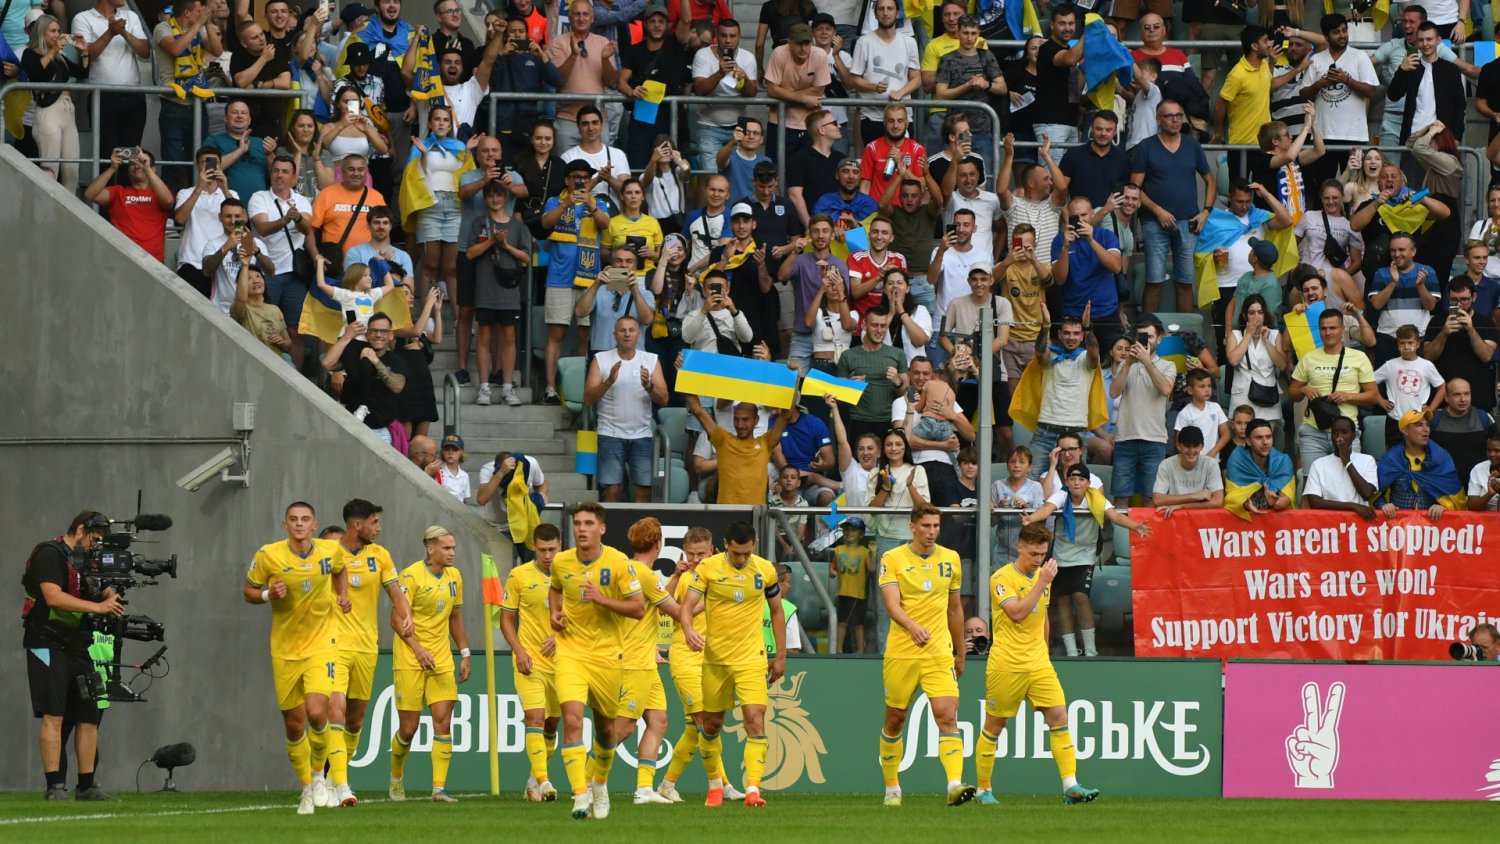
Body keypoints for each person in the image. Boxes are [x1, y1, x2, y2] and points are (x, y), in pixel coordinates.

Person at [974, 522, 1101, 806]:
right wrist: (1042, 582)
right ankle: (983, 789)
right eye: (1033, 553)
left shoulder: (1043, 575)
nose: (1038, 559)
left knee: (1059, 717)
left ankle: (1070, 786)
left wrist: (1043, 651)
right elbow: (1017, 613)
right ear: (1019, 547)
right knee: (994, 726)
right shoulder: (1001, 578)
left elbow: (1041, 616)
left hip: (1038, 663)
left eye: (1042, 554)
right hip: (1007, 664)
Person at [242, 502, 350, 814]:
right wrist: (268, 595)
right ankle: (306, 788)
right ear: (285, 524)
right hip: (285, 649)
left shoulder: (331, 550)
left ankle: (318, 776)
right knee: (293, 724)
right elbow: (248, 591)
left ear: (314, 524)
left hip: (322, 643)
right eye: (293, 519)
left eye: (305, 519)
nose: (299, 524)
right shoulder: (268, 555)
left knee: (317, 712)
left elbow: (340, 570)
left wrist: (342, 595)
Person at [547, 502, 646, 819]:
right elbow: (555, 589)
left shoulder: (618, 563)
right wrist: (555, 613)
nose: (581, 529)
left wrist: (602, 599)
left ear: (601, 529)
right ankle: (580, 795)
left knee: (606, 732)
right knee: (572, 719)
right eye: (577, 523)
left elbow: (639, 608)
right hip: (570, 652)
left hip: (607, 655)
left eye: (588, 523)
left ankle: (600, 783)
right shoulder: (561, 561)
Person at [679, 520, 786, 807]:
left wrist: (780, 655)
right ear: (725, 545)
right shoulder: (708, 568)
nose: (741, 559)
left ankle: (753, 790)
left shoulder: (765, 570)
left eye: (747, 553)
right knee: (712, 724)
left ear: (754, 547)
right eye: (737, 553)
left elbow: (777, 611)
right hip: (716, 660)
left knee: (755, 719)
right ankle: (715, 785)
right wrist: (688, 630)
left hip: (752, 658)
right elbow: (686, 607)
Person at [875, 503, 971, 807]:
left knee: (947, 715)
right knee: (895, 720)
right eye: (926, 526)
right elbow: (892, 605)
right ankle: (892, 787)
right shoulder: (892, 559)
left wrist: (960, 651)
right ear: (912, 527)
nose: (932, 532)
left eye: (936, 526)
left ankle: (954, 785)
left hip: (938, 652)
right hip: (902, 652)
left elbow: (954, 609)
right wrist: (912, 626)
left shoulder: (951, 559)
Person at [23, 511, 122, 801]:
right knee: (54, 714)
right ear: (80, 529)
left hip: (81, 645)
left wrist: (111, 596)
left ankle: (86, 786)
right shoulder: (49, 554)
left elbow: (102, 589)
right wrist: (99, 608)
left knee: (89, 716)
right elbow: (53, 597)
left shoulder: (88, 561)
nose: (96, 545)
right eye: (95, 538)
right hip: (46, 643)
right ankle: (55, 787)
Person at [328, 499, 412, 807]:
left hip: (366, 646)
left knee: (354, 720)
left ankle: (331, 776)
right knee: (335, 710)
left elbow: (395, 592)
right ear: (357, 525)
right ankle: (340, 785)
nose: (379, 528)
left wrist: (406, 614)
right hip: (334, 644)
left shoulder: (380, 555)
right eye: (374, 522)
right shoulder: (330, 554)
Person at [656, 527, 747, 802]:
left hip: (713, 659)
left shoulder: (723, 576)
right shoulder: (684, 579)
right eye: (691, 554)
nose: (696, 560)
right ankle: (720, 785)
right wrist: (675, 577)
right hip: (685, 656)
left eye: (701, 554)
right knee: (705, 723)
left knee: (694, 729)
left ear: (713, 551)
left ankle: (667, 785)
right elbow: (662, 607)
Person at [1023, 463, 1151, 657]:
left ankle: (1090, 650)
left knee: (1080, 596)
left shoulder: (1095, 498)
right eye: (1072, 479)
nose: (1076, 483)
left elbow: (1114, 515)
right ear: (1067, 482)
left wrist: (1135, 526)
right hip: (1061, 556)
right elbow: (1047, 509)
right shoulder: (1061, 495)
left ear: (1088, 483)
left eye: (1081, 479)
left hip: (1085, 556)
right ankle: (1072, 651)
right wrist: (1031, 519)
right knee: (1063, 601)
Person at [386, 526, 469, 803]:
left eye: (453, 547)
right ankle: (396, 777)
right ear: (430, 549)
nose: (452, 553)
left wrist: (465, 652)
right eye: (446, 548)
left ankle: (439, 788)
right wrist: (418, 648)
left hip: (441, 658)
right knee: (408, 729)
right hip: (410, 658)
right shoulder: (410, 576)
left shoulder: (455, 576)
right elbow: (396, 619)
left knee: (443, 721)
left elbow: (455, 617)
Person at [615, 518, 687, 806]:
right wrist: (709, 598)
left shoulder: (631, 570)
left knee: (658, 721)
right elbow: (676, 612)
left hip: (646, 658)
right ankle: (585, 780)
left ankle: (644, 789)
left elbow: (658, 603)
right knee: (623, 728)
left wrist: (676, 579)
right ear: (659, 543)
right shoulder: (644, 574)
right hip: (634, 661)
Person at [1131, 98, 1215, 315]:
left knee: (1185, 283)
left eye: (1178, 115)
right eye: (1169, 116)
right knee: (1154, 281)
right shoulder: (1146, 147)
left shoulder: (1192, 145)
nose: (1175, 120)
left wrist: (1206, 211)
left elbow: (1211, 181)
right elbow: (1134, 188)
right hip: (1154, 222)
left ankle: (1185, 333)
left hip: (1189, 222)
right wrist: (1157, 210)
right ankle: (1147, 330)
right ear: (1158, 119)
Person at [541, 160, 612, 404]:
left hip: (590, 279)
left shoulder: (598, 201)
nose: (580, 181)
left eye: (584, 177)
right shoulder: (555, 201)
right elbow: (545, 223)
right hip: (559, 277)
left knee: (585, 335)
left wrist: (590, 204)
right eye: (575, 177)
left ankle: (581, 388)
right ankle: (551, 388)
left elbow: (606, 224)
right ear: (566, 180)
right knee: (556, 334)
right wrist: (567, 204)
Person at [585, 316, 668, 502]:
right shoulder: (600, 359)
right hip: (610, 434)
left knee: (644, 491)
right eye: (622, 330)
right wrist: (608, 382)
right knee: (613, 490)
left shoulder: (651, 359)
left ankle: (642, 523)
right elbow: (588, 399)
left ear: (639, 334)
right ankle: (609, 523)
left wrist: (648, 386)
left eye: (631, 330)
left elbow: (664, 399)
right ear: (614, 335)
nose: (627, 334)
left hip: (642, 434)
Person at [466, 180, 533, 406]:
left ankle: (507, 386)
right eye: (490, 196)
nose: (495, 199)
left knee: (509, 336)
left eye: (499, 195)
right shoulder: (479, 222)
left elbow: (527, 257)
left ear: (505, 198)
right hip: (485, 288)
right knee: (484, 335)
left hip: (509, 289)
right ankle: (484, 387)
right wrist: (492, 241)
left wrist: (506, 247)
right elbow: (470, 253)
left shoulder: (517, 225)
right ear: (485, 199)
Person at [248, 155, 314, 367]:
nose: (280, 175)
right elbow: (262, 228)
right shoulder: (259, 198)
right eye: (276, 170)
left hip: (294, 274)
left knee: (296, 330)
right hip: (266, 273)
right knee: (264, 326)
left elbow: (307, 229)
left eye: (285, 172)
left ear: (294, 177)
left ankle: (296, 379)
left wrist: (298, 217)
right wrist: (286, 219)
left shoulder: (302, 201)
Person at [73, 0, 150, 162]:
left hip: (133, 96)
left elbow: (145, 51)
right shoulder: (82, 18)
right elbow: (87, 55)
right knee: (107, 155)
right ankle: (108, 180)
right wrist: (110, 33)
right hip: (102, 97)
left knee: (131, 155)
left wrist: (124, 32)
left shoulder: (131, 16)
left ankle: (125, 180)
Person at [1110, 319, 1175, 507]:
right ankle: (1120, 529)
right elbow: (1113, 392)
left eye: (1150, 336)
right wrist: (1128, 364)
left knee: (1151, 498)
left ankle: (1149, 529)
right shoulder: (1125, 364)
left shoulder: (1168, 365)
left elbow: (1166, 390)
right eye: (1141, 336)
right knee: (1121, 496)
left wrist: (1147, 363)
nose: (1145, 341)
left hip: (1154, 440)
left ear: (1159, 339)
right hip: (1125, 438)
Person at [685, 394, 790, 505]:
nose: (740, 425)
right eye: (736, 419)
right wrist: (685, 382)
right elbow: (697, 410)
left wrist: (796, 383)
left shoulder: (765, 442)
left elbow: (786, 416)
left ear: (756, 420)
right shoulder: (723, 440)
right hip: (727, 512)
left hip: (755, 512)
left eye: (745, 419)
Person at [324, 313, 408, 445]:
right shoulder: (355, 353)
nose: (378, 335)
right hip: (352, 426)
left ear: (391, 335)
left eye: (383, 331)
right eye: (374, 330)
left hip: (381, 429)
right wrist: (347, 336)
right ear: (367, 334)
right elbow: (327, 364)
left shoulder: (397, 359)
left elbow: (397, 386)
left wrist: (375, 360)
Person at [1052, 197, 1126, 346]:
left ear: (1092, 214)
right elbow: (1059, 279)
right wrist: (1065, 247)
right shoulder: (1060, 240)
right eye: (1075, 216)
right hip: (1073, 315)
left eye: (1084, 215)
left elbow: (1116, 267)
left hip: (1105, 311)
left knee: (1111, 357)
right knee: (1075, 360)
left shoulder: (1106, 235)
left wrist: (1091, 240)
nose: (1080, 220)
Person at [1423, 278, 1500, 415]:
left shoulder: (1486, 322)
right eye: (1454, 300)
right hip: (1444, 398)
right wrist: (1444, 333)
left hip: (1479, 398)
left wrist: (1471, 329)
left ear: (1474, 297)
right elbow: (1428, 356)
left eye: (1464, 300)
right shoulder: (1438, 321)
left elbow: (1486, 356)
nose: (1459, 305)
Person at [848, 0, 919, 148]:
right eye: (881, 9)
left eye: (890, 9)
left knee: (902, 161)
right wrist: (873, 87)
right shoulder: (864, 42)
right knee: (874, 161)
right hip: (873, 116)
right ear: (875, 14)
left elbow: (917, 79)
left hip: (902, 117)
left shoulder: (909, 42)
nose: (885, 13)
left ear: (897, 13)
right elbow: (854, 79)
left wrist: (900, 93)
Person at [547, 0, 616, 150]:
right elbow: (557, 80)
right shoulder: (558, 42)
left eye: (585, 14)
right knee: (565, 163)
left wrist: (605, 60)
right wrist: (573, 56)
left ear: (592, 18)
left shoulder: (603, 42)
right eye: (577, 14)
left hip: (597, 118)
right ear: (569, 17)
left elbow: (611, 81)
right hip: (567, 118)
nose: (581, 18)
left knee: (602, 163)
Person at [692, 18, 759, 172]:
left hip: (738, 127)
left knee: (736, 174)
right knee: (711, 176)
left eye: (732, 36)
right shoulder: (703, 55)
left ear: (739, 37)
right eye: (723, 35)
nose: (728, 40)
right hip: (709, 126)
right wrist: (720, 73)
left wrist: (744, 78)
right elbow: (700, 90)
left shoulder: (747, 57)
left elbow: (752, 93)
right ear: (716, 36)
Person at [84, 148, 173, 263]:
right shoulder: (118, 192)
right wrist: (112, 168)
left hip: (153, 262)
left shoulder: (159, 194)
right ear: (127, 170)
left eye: (142, 162)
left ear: (153, 169)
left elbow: (168, 201)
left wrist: (147, 169)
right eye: (132, 163)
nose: (137, 166)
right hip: (122, 259)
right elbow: (90, 194)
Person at [837, 308, 909, 447]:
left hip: (890, 420)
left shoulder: (898, 354)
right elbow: (838, 399)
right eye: (875, 325)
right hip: (859, 420)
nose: (879, 330)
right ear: (864, 325)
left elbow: (906, 396)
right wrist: (851, 386)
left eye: (883, 326)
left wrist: (897, 382)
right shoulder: (848, 356)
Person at [1376, 410, 1466, 520]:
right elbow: (1376, 495)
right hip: (1398, 525)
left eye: (1427, 425)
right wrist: (1384, 505)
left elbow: (1455, 497)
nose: (1426, 429)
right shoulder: (1391, 459)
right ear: (1405, 430)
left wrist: (1443, 506)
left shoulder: (1440, 458)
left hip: (1432, 525)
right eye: (1419, 425)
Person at [1388, 22, 1466, 147]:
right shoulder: (1411, 67)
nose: (1425, 44)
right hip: (1413, 137)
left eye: (1429, 39)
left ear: (1438, 40)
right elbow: (1393, 95)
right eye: (1421, 40)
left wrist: (1457, 137)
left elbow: (1459, 106)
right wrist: (1402, 70)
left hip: (1441, 139)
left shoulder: (1451, 70)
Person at [202, 198, 276, 315]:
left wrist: (256, 251)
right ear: (220, 217)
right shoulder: (213, 244)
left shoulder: (255, 242)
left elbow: (271, 271)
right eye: (228, 216)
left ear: (244, 217)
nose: (233, 221)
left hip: (252, 310)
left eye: (237, 216)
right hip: (221, 310)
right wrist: (225, 247)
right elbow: (206, 271)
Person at [312, 154, 386, 262]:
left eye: (360, 169)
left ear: (366, 172)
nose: (356, 173)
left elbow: (384, 231)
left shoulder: (377, 197)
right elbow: (310, 231)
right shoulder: (326, 194)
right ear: (342, 171)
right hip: (334, 262)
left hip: (367, 263)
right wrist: (316, 256)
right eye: (351, 169)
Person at [1302, 416, 1379, 519]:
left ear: (1353, 436)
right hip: (1329, 523)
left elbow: (1367, 494)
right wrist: (1352, 506)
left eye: (1344, 432)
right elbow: (1314, 502)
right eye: (1335, 433)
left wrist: (1347, 462)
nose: (1339, 437)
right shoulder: (1318, 464)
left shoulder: (1367, 460)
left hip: (1358, 522)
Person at [1034, 5, 1084, 161]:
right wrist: (1090, 34)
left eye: (1071, 23)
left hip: (1070, 122)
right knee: (1050, 174)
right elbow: (1069, 59)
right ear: (1052, 25)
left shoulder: (1069, 50)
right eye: (1062, 23)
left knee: (1068, 174)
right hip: (1051, 124)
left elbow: (1076, 90)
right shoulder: (1047, 48)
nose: (1068, 28)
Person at [1058, 111, 1132, 210]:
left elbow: (1124, 196)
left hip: (1110, 217)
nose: (1103, 133)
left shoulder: (1123, 160)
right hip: (1078, 216)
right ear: (1091, 129)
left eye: (1108, 130)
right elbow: (1060, 190)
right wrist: (1066, 216)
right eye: (1099, 129)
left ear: (1115, 132)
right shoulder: (1073, 155)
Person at [1225, 419, 1295, 518]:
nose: (1265, 442)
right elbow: (1232, 496)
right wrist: (1246, 504)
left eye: (1268, 437)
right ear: (1248, 441)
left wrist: (1274, 503)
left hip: (1277, 521)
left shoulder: (1282, 461)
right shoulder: (1237, 460)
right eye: (1259, 438)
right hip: (1243, 522)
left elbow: (1286, 499)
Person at [1151, 425, 1225, 516]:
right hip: (1174, 517)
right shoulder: (1166, 464)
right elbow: (1157, 499)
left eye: (1195, 446)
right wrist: (1194, 496)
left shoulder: (1211, 464)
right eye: (1187, 446)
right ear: (1179, 446)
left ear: (1202, 446)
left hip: (1201, 518)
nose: (1191, 450)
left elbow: (1218, 501)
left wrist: (1182, 506)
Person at [786, 108, 843, 226]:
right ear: (822, 130)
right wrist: (810, 227)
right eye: (834, 123)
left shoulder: (841, 159)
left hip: (842, 226)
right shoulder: (798, 159)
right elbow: (795, 195)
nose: (839, 126)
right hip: (813, 227)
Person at [1433, 378, 1498, 479]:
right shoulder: (1434, 419)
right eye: (1457, 394)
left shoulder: (1484, 418)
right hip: (1443, 483)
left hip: (1478, 483)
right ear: (1446, 397)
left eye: (1467, 394)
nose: (1463, 399)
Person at [829, 517, 871, 653]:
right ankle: (838, 650)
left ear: (861, 534)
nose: (849, 533)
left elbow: (871, 569)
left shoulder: (865, 552)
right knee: (842, 622)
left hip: (859, 594)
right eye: (846, 530)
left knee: (859, 624)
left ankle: (860, 651)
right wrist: (832, 572)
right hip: (842, 592)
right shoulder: (839, 550)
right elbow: (832, 566)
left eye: (853, 530)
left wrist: (874, 553)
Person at [1466, 428, 1500, 512]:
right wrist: (1489, 494)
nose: (1492, 454)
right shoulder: (1478, 469)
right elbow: (1471, 506)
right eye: (1489, 450)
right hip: (1484, 520)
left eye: (1497, 450)